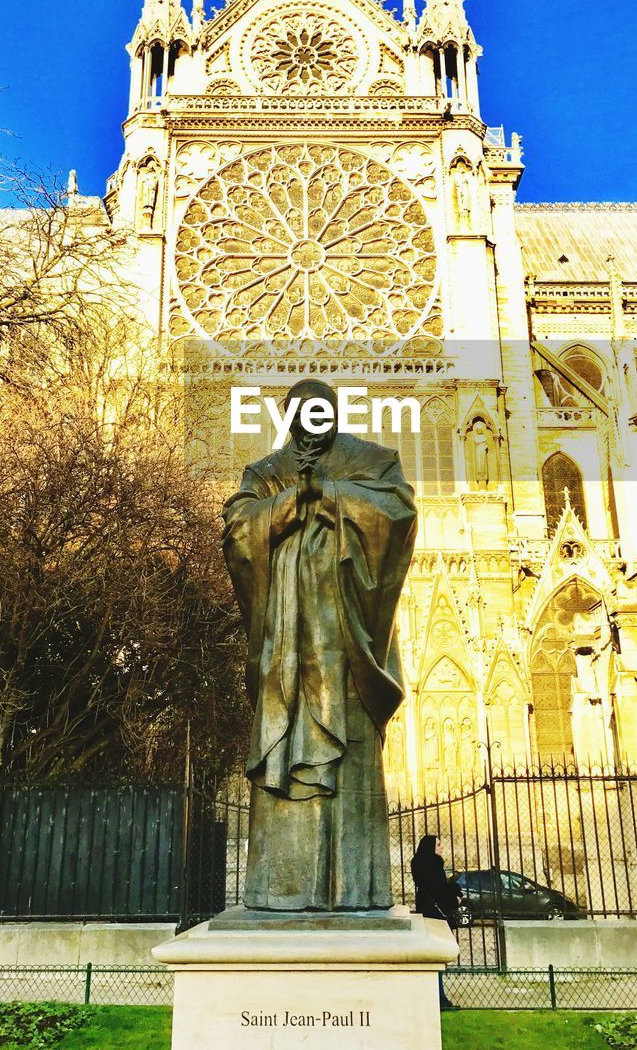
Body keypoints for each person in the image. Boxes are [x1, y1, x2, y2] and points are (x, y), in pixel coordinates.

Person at [223, 379, 416, 911]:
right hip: (286, 635)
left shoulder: (371, 459)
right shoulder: (265, 472)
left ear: (333, 410)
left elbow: (399, 515)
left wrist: (328, 495)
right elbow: (237, 528)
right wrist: (290, 502)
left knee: (349, 747)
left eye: (321, 409)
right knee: (284, 742)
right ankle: (278, 890)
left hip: (344, 634)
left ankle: (354, 890)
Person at [411, 835, 462, 1011]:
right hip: (437, 916)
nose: (441, 848)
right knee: (439, 955)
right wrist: (455, 896)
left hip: (426, 913)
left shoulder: (418, 863)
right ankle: (439, 998)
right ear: (431, 847)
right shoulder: (434, 864)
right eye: (438, 845)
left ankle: (436, 995)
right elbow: (440, 891)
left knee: (432, 955)